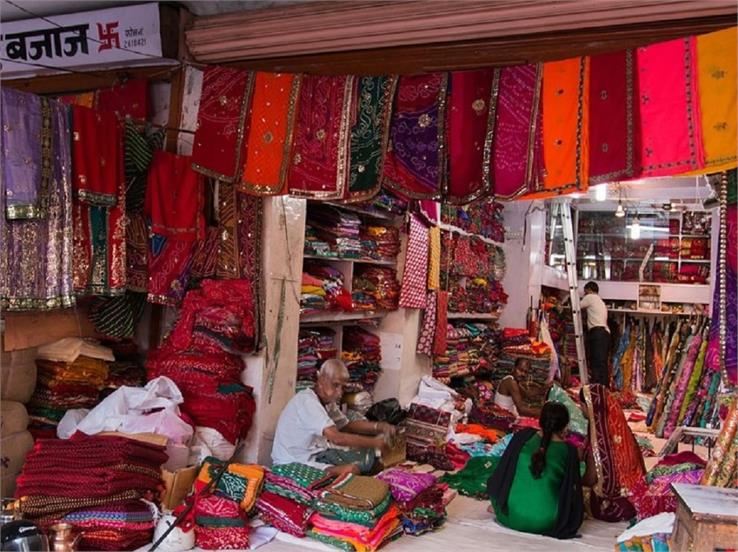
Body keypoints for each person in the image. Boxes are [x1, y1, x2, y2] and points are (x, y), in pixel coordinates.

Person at [486, 402, 596, 539]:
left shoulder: (523, 436)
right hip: (547, 521)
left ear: (540, 420)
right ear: (565, 426)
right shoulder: (569, 451)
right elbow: (570, 490)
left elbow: (502, 473)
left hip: (510, 515)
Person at [271, 359, 396, 476]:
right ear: (321, 380)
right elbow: (336, 438)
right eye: (335, 385)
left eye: (342, 387)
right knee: (352, 470)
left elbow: (346, 425)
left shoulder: (327, 402)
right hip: (293, 461)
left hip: (314, 454)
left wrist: (379, 427)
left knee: (367, 457)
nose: (340, 393)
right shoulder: (308, 402)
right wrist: (375, 443)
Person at [580, 383, 646, 522]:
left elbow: (591, 478)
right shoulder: (621, 430)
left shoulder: (599, 442)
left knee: (575, 491)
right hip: (634, 493)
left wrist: (575, 481)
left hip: (613, 504)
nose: (581, 409)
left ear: (589, 407)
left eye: (582, 405)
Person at [580, 281, 611, 386]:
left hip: (597, 333)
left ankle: (597, 388)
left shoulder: (590, 297)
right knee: (602, 362)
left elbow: (577, 307)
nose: (584, 295)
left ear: (589, 290)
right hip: (604, 333)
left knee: (596, 362)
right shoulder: (600, 301)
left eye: (585, 292)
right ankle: (604, 387)